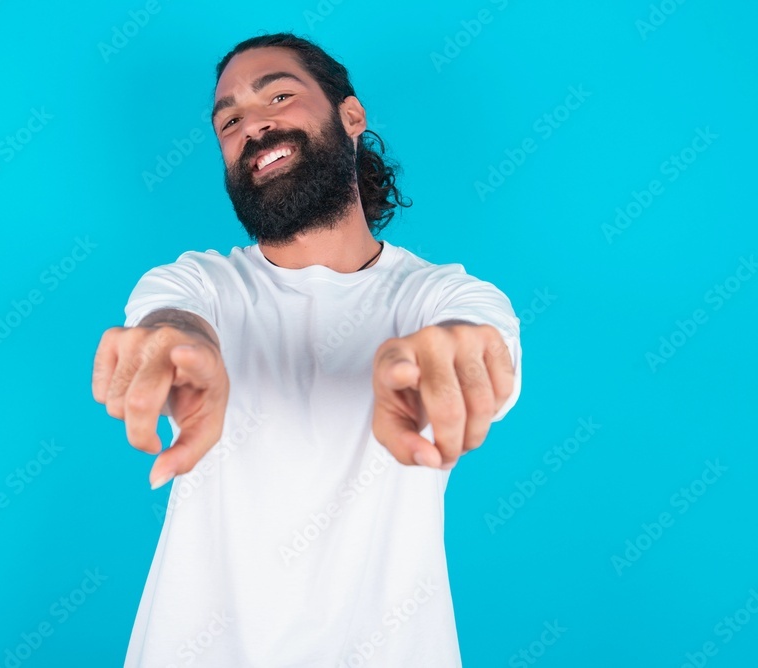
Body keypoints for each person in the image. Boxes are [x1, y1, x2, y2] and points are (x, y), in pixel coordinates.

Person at [92, 32, 523, 668]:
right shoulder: (196, 282)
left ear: (351, 116)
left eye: (279, 97)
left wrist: (446, 358)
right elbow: (170, 321)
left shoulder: (445, 295)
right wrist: (177, 348)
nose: (253, 125)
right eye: (230, 120)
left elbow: (476, 341)